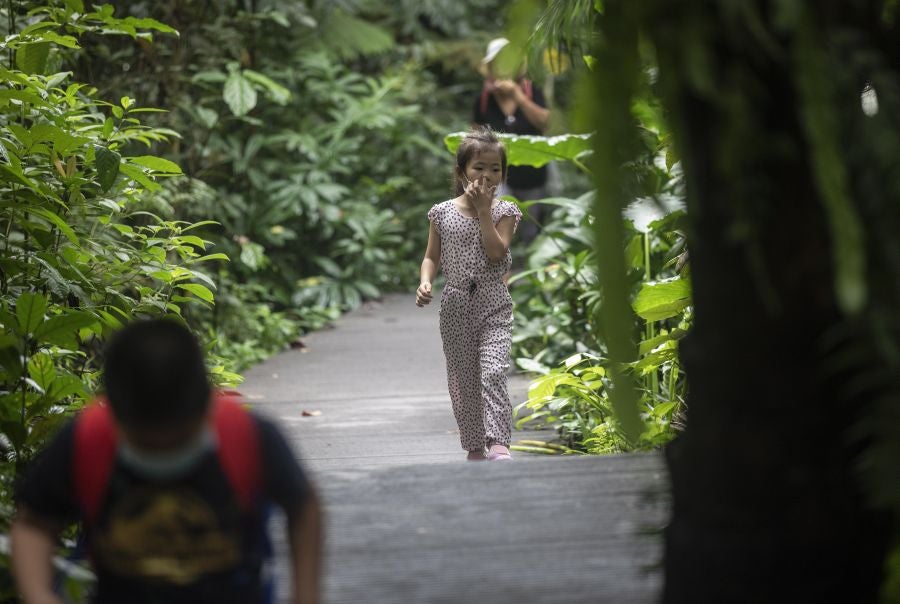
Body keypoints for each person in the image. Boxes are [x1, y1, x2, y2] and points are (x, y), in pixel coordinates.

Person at [11, 319, 322, 604]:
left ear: (206, 407)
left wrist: (305, 594)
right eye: (145, 443)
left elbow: (303, 506)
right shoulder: (86, 440)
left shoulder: (248, 437)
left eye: (178, 441)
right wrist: (39, 594)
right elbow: (34, 523)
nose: (161, 451)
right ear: (114, 414)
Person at [416, 126, 522, 461]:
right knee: (464, 380)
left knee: (493, 370)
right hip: (456, 305)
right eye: (479, 167)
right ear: (462, 171)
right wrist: (426, 281)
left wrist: (483, 212)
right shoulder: (441, 213)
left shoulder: (505, 212)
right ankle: (475, 447)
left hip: (493, 302)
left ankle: (499, 443)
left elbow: (496, 255)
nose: (488, 175)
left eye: (496, 169)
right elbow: (432, 256)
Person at [472, 37, 551, 243]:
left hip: (532, 174)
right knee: (498, 224)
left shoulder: (532, 92)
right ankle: (501, 267)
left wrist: (518, 96)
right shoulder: (484, 100)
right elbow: (475, 138)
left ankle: (528, 265)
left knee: (531, 228)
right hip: (498, 176)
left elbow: (544, 122)